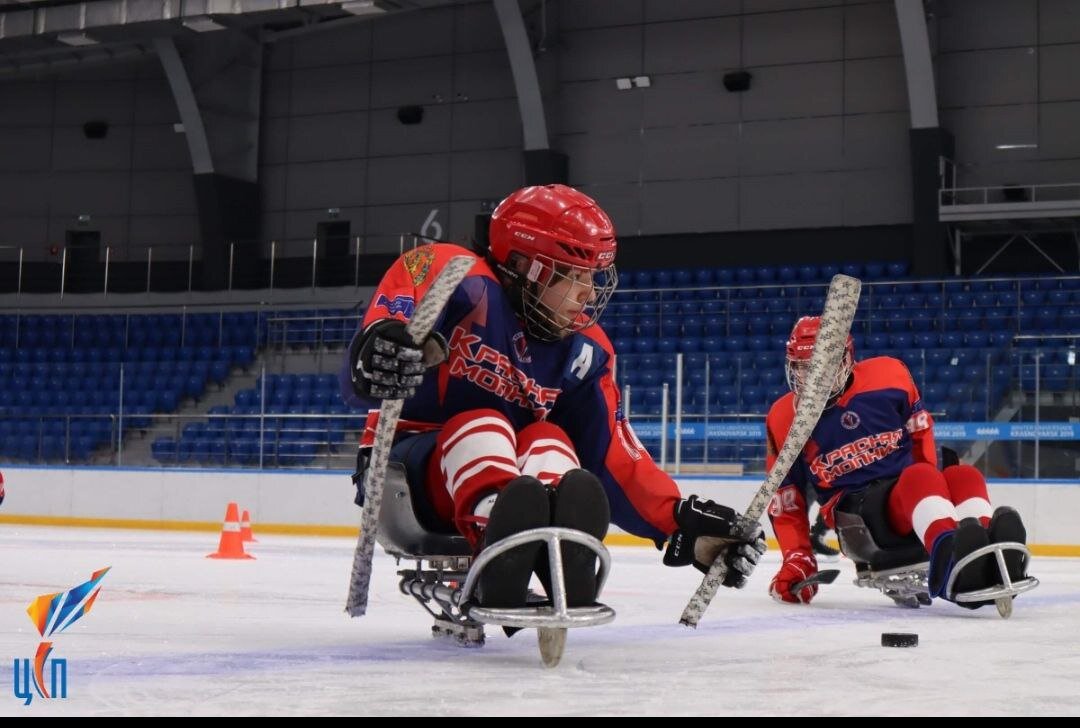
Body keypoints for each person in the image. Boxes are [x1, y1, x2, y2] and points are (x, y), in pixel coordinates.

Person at [341, 184, 766, 612]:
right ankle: (498, 549)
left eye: (593, 278)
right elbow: (388, 321)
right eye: (573, 276)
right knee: (482, 422)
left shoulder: (586, 352)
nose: (587, 292)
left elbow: (613, 458)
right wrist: (381, 347)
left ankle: (561, 554)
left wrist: (677, 522)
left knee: (551, 439)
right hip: (404, 475)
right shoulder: (455, 276)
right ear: (525, 266)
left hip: (507, 478)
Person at [765, 316, 1029, 608]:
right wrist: (797, 556)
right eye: (803, 369)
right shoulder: (783, 418)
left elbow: (920, 435)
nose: (811, 380)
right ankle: (952, 565)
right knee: (921, 477)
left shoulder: (890, 375)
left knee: (964, 476)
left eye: (820, 368)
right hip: (855, 516)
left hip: (906, 498)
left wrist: (933, 490)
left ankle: (988, 554)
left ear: (845, 360)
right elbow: (786, 500)